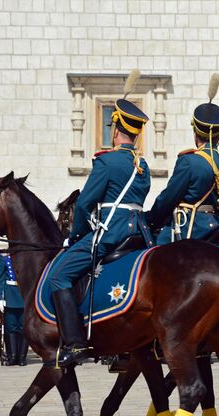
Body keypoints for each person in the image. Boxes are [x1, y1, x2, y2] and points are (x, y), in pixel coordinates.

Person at [46, 97, 152, 367]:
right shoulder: (143, 167)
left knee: (59, 276)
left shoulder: (107, 162)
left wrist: (78, 234)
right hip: (138, 232)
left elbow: (84, 204)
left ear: (116, 130)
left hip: (111, 233)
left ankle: (74, 343)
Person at [147, 75, 219, 244]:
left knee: (151, 254)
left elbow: (169, 199)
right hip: (214, 228)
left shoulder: (188, 161)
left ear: (195, 131)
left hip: (189, 229)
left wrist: (152, 220)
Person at [0, 253, 27, 366]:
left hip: (24, 294)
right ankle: (12, 356)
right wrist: (0, 297)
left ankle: (22, 357)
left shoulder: (28, 255)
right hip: (10, 294)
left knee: (24, 328)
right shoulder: (4, 256)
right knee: (11, 327)